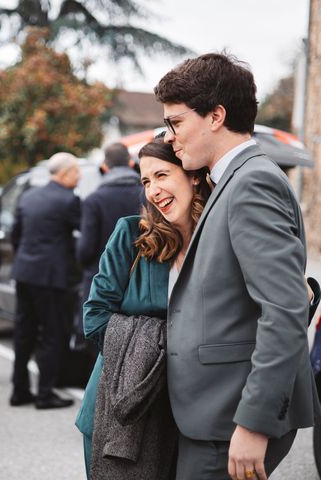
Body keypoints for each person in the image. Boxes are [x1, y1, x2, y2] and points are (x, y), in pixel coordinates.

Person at [154, 53, 321, 479]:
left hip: (228, 421)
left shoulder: (252, 183)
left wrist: (253, 423)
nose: (170, 136)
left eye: (176, 122)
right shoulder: (231, 179)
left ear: (215, 116)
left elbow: (283, 311)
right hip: (212, 413)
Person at [76, 135, 211, 478]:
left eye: (162, 175)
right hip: (121, 408)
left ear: (194, 175)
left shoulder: (216, 240)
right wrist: (160, 350)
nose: (153, 190)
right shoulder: (131, 234)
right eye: (146, 181)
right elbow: (95, 317)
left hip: (189, 411)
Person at [10, 152, 80, 409]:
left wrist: (24, 260)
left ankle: (19, 389)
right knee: (51, 335)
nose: (79, 176)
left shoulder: (28, 196)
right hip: (51, 277)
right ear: (63, 173)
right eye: (75, 171)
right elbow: (82, 239)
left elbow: (16, 235)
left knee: (23, 333)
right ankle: (45, 393)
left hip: (25, 272)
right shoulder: (69, 200)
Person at [77, 142, 143, 306]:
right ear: (130, 163)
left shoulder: (94, 200)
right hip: (139, 280)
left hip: (101, 282)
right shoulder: (147, 195)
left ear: (105, 167)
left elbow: (85, 249)